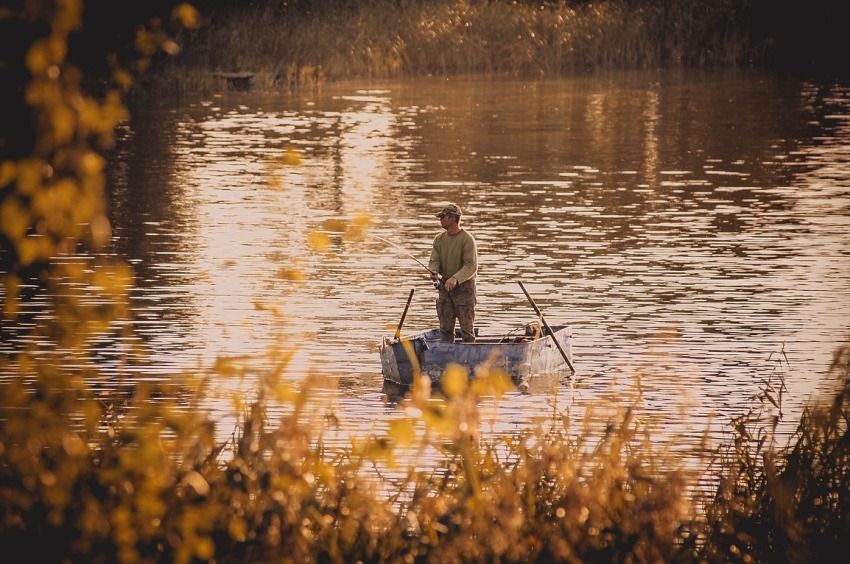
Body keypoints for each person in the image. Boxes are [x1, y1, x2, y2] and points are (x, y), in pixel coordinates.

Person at [428, 203, 478, 342]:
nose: (440, 220)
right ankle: (446, 360)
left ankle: (469, 359)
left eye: (443, 217)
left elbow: (471, 265)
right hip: (445, 288)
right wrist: (434, 272)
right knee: (445, 329)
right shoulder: (439, 239)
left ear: (451, 218)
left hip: (465, 289)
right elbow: (434, 260)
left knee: (467, 330)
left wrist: (455, 278)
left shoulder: (467, 239)